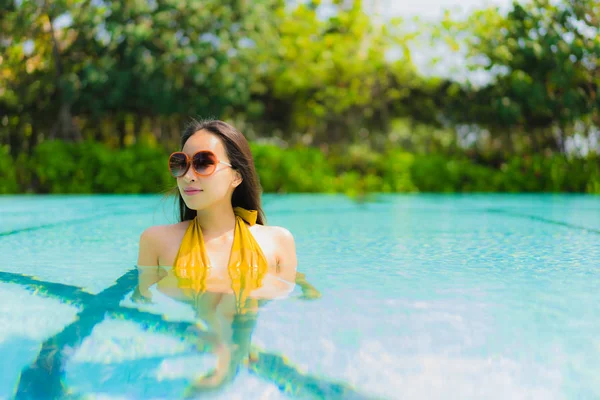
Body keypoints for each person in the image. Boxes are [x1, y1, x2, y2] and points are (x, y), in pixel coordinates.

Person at [133, 119, 300, 394]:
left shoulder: (278, 241)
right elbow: (144, 300)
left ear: (236, 176)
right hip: (198, 344)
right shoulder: (156, 241)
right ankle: (230, 354)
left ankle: (230, 354)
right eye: (181, 163)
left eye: (203, 163)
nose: (188, 175)